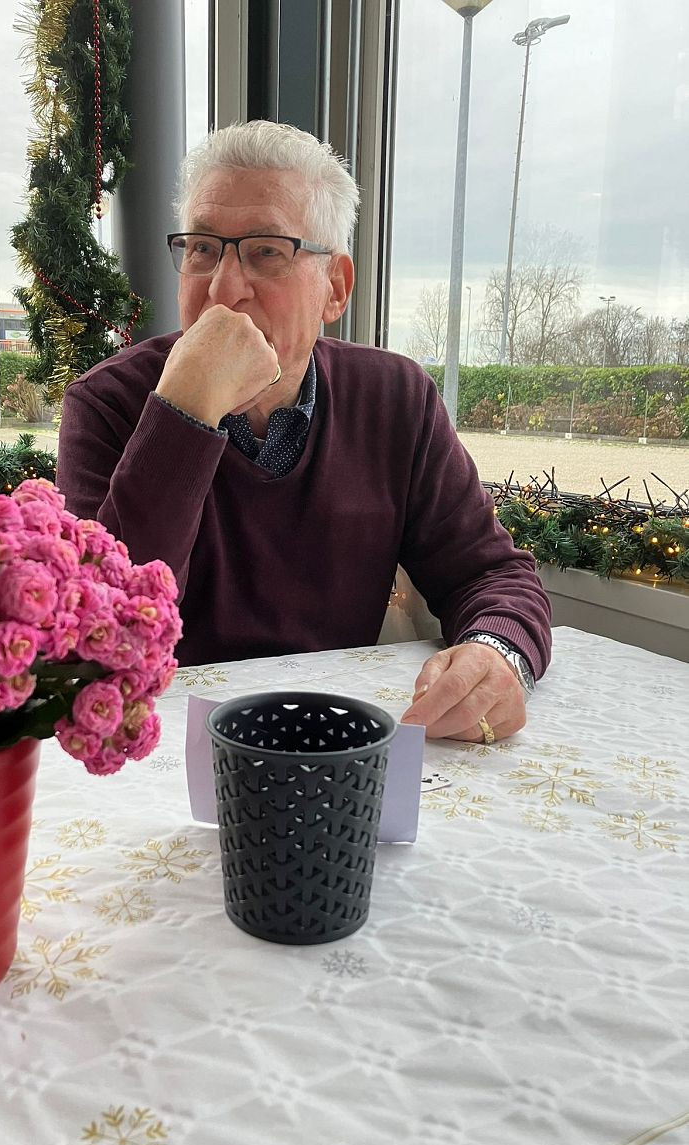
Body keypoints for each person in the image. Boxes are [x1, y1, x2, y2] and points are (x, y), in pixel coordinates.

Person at [57, 121, 552, 744]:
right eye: (203, 249)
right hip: (159, 746)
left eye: (266, 251)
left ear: (335, 288)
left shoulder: (395, 398)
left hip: (335, 737)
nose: (222, 290)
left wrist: (495, 653)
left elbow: (489, 574)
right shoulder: (108, 402)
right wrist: (184, 412)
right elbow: (101, 639)